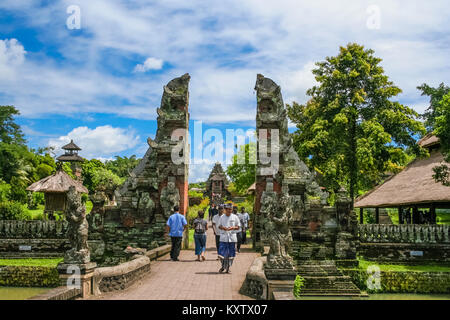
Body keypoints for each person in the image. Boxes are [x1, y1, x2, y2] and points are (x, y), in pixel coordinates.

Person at [217, 203, 241, 273]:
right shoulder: (222, 217)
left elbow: (238, 226)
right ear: (225, 210)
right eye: (228, 210)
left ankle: (228, 268)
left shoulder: (235, 217)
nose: (229, 211)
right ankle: (223, 266)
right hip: (223, 237)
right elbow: (219, 226)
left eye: (231, 209)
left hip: (232, 238)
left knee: (231, 254)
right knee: (222, 254)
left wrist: (233, 227)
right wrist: (223, 228)